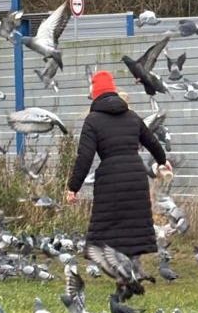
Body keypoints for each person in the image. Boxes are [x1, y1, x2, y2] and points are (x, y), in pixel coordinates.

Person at [66, 70, 172, 259]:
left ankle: (121, 277)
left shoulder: (92, 120)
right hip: (135, 177)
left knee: (110, 229)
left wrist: (73, 187)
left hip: (110, 179)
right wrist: (163, 161)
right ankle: (131, 273)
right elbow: (152, 142)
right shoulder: (132, 116)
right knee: (133, 228)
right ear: (113, 91)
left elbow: (85, 156)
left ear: (95, 94)